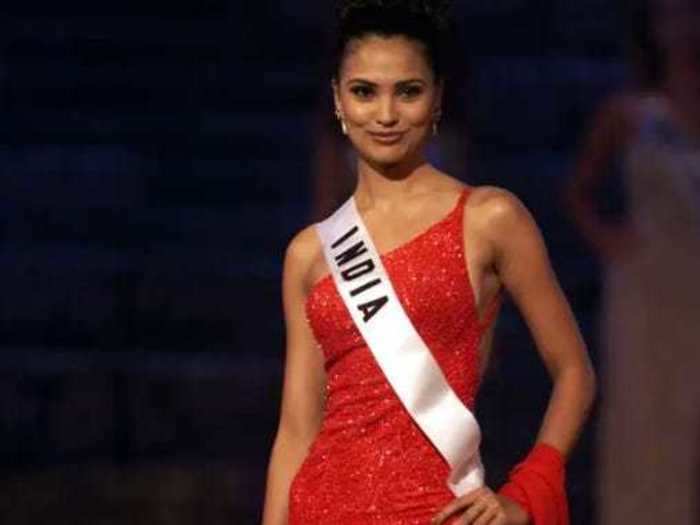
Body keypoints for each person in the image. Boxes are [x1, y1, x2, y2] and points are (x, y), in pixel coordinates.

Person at [262, 2, 596, 524]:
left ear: (437, 97)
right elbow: (296, 428)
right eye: (364, 91)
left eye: (408, 91)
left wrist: (526, 494)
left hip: (434, 512)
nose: (387, 114)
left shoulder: (490, 217)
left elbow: (575, 371)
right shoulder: (309, 252)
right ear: (337, 99)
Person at [567, 0, 700, 523]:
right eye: (671, 12)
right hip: (646, 282)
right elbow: (579, 191)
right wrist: (611, 240)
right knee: (642, 417)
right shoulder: (630, 112)